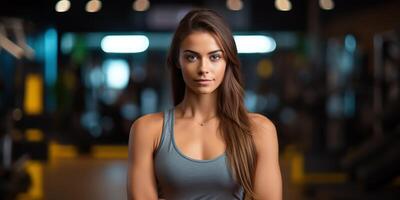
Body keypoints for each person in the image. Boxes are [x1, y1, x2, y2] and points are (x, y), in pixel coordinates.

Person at [127, 8, 282, 200]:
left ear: (227, 61)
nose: (203, 69)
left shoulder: (259, 130)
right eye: (191, 57)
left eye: (214, 57)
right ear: (178, 60)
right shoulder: (147, 130)